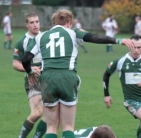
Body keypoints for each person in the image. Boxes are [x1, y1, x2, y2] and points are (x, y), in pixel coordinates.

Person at [21, 9, 134, 138]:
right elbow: (93, 37)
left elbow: (25, 59)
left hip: (47, 79)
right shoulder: (73, 33)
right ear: (69, 23)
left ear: (54, 23)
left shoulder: (40, 36)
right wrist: (118, 41)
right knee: (68, 127)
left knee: (51, 127)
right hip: (67, 77)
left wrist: (30, 72)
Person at [102, 35, 141, 138]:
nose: (136, 50)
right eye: (133, 47)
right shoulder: (120, 61)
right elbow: (106, 75)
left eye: (139, 47)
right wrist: (106, 95)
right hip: (131, 100)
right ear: (129, 46)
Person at [12, 13, 46, 138]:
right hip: (33, 80)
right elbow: (15, 64)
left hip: (49, 78)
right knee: (37, 113)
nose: (35, 24)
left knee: (52, 114)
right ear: (27, 24)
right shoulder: (22, 42)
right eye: (31, 22)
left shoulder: (46, 37)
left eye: (37, 21)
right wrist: (29, 70)